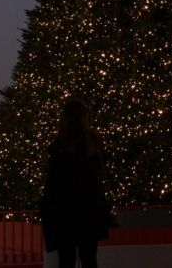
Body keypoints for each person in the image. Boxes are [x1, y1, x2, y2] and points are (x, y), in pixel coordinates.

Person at [40, 99, 111, 268]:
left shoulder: (59, 148)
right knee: (89, 259)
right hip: (89, 211)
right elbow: (100, 175)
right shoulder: (92, 144)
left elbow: (52, 185)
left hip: (65, 214)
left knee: (66, 261)